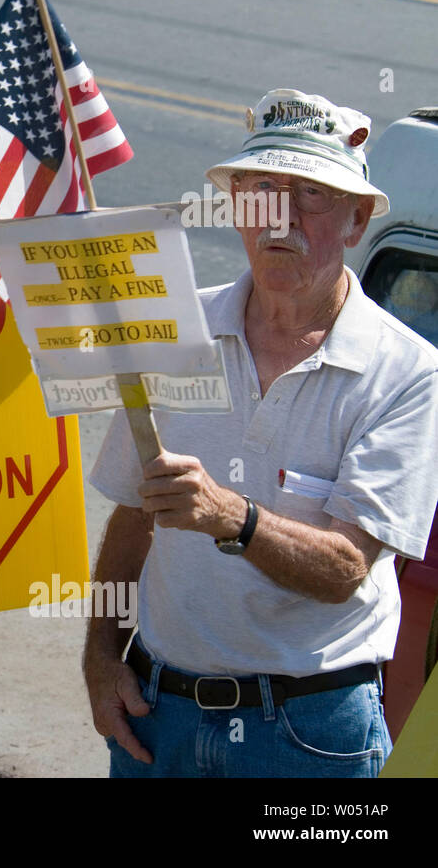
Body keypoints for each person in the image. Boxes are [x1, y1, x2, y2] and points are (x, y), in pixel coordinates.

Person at [83, 88, 438, 777]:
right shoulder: (177, 330)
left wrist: (229, 516)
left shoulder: (408, 372)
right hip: (159, 716)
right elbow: (133, 518)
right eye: (261, 191)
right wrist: (101, 657)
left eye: (308, 195)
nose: (280, 217)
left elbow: (343, 570)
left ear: (358, 219)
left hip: (309, 733)